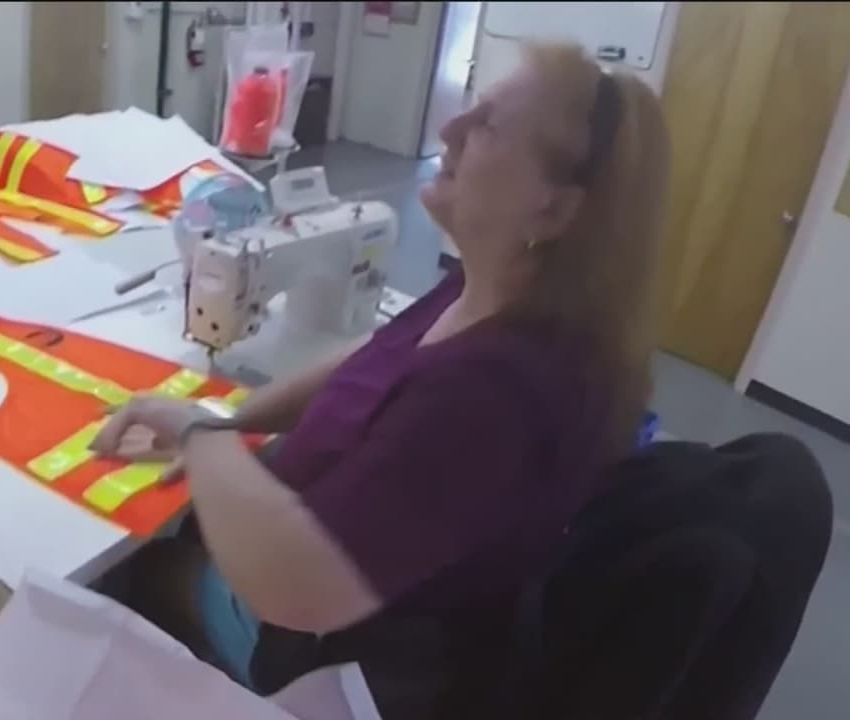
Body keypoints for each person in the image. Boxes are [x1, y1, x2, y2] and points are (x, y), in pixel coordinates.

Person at [90, 42, 671, 701]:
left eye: (488, 126)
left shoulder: (495, 392)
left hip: (334, 654)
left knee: (128, 570)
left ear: (555, 210)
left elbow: (296, 587)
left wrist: (200, 437)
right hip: (327, 558)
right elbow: (371, 358)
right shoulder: (492, 292)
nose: (449, 129)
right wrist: (233, 421)